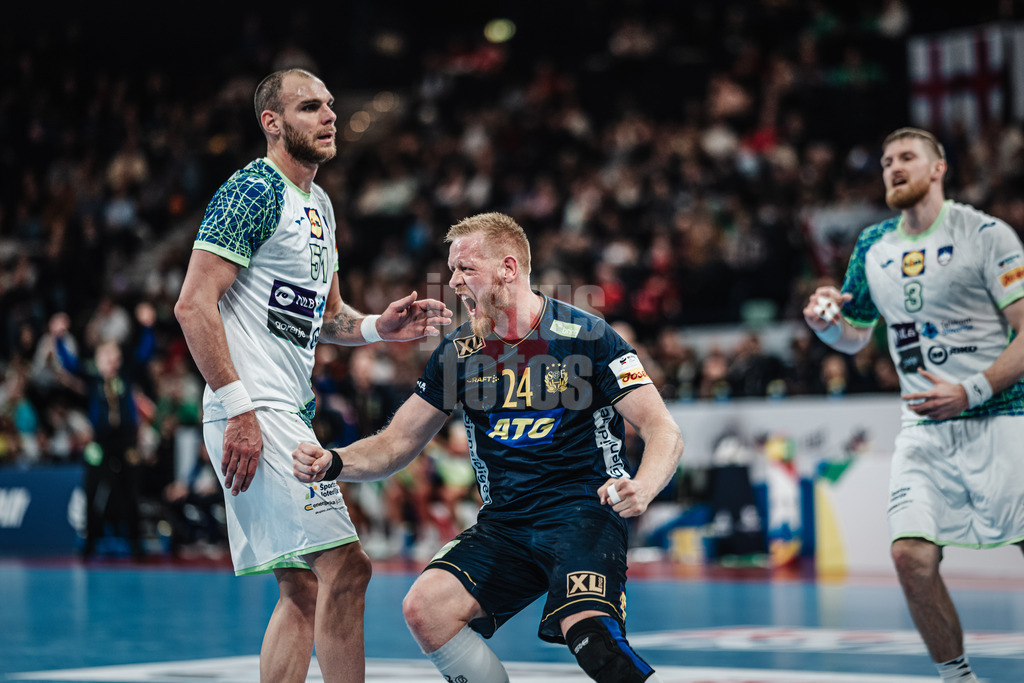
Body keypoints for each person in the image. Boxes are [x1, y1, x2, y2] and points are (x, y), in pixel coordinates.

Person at [294, 212, 683, 683]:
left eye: (466, 268)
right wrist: (334, 461)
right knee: (426, 608)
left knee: (593, 640)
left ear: (508, 268)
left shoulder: (588, 337)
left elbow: (663, 429)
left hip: (583, 511)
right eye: (452, 269)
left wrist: (642, 486)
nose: (453, 280)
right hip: (506, 522)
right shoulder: (458, 353)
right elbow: (396, 443)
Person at [173, 68, 452, 683]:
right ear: (272, 123)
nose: (329, 116)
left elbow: (325, 317)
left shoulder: (319, 204)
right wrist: (240, 408)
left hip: (284, 408)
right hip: (255, 407)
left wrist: (381, 327)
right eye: (309, 107)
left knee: (301, 587)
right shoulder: (252, 190)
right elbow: (193, 304)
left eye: (329, 104)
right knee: (348, 569)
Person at [803, 127, 1024, 683]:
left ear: (938, 168)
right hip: (924, 430)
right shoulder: (873, 246)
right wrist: (823, 326)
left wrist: (970, 389)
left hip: (1003, 418)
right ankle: (957, 677)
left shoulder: (987, 234)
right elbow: (853, 335)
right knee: (910, 557)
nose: (893, 168)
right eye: (885, 162)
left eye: (906, 157)